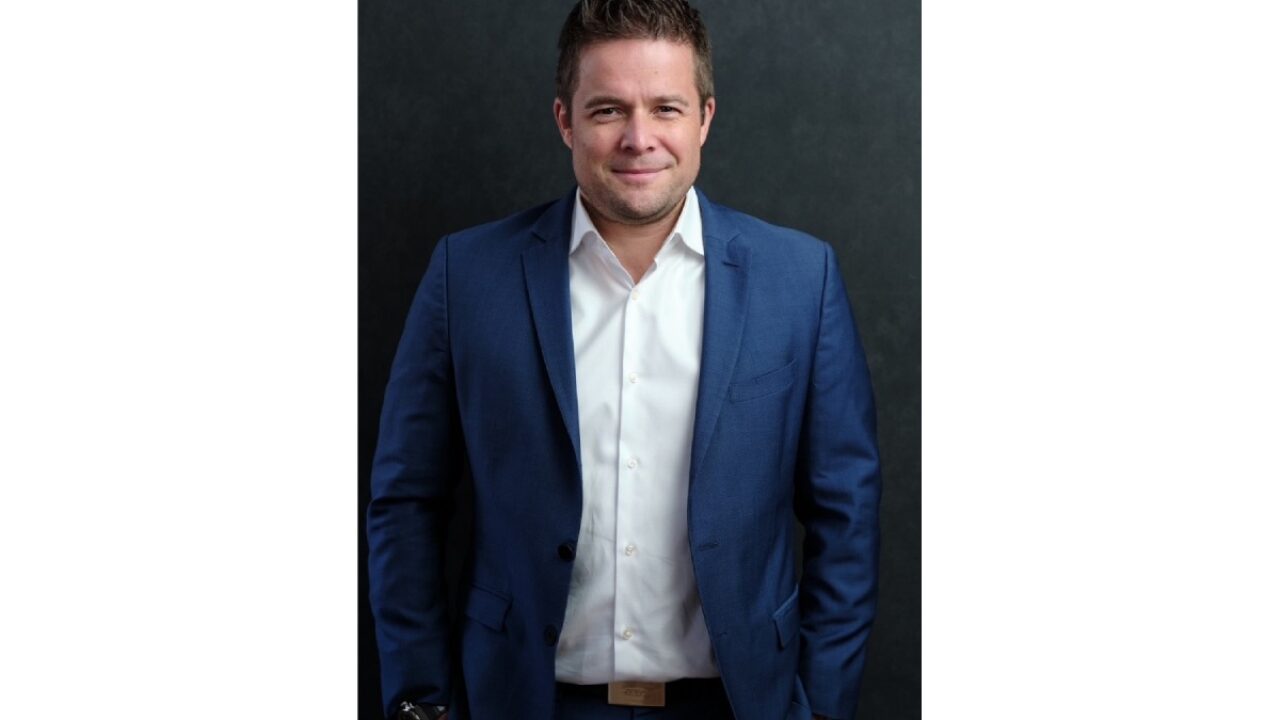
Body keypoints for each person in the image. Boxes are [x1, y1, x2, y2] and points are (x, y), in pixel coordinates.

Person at [367, 1, 881, 718]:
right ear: (565, 120)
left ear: (704, 118)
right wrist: (422, 703)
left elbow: (846, 513)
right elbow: (406, 502)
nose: (640, 139)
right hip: (523, 703)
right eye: (608, 110)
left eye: (666, 108)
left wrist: (818, 707)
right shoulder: (468, 277)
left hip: (739, 705)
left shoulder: (800, 280)